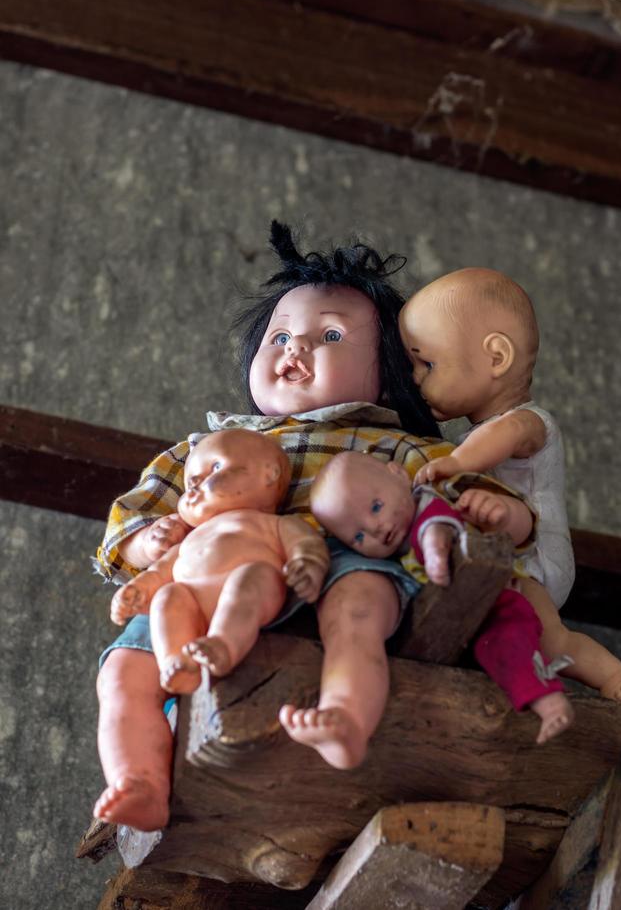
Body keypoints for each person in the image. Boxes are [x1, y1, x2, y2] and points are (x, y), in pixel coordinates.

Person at [93, 223, 533, 830]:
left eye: (329, 335)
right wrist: (148, 541)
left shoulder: (394, 445)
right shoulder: (206, 445)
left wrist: (500, 511)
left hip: (342, 565)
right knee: (124, 667)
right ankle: (136, 778)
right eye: (279, 335)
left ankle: (345, 716)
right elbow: (132, 518)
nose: (294, 349)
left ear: (388, 373)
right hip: (205, 581)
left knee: (359, 609)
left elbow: (459, 484)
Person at [399, 267, 621, 703]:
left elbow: (502, 438)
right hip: (510, 550)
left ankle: (609, 673)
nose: (415, 378)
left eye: (427, 363)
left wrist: (456, 462)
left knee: (551, 639)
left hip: (539, 558)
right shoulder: (476, 435)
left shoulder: (527, 421)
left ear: (496, 358)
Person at [307, 450, 573, 745]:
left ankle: (548, 701)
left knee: (514, 646)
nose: (376, 528)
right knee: (489, 662)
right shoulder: (387, 565)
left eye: (376, 506)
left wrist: (434, 546)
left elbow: (437, 525)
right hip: (452, 631)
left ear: (398, 475)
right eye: (358, 537)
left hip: (493, 606)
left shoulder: (428, 504)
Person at [110, 429, 329, 694]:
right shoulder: (190, 538)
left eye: (215, 467)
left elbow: (306, 543)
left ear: (268, 474)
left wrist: (306, 564)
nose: (197, 485)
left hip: (254, 593)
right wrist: (138, 590)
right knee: (168, 595)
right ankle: (176, 662)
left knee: (251, 578)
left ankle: (224, 644)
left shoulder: (272, 524)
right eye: (191, 483)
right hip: (195, 606)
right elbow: (159, 571)